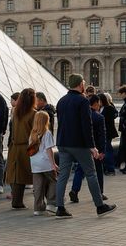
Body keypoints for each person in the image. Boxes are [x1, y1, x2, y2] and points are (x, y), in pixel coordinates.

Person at [54, 74, 116, 219]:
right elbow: (86, 125)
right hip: (79, 144)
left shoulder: (61, 101)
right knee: (91, 173)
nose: (84, 84)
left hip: (63, 143)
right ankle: (100, 206)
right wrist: (92, 146)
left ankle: (60, 208)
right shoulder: (82, 101)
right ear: (80, 84)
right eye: (83, 82)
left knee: (63, 175)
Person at [68, 95, 107, 204]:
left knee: (80, 170)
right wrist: (102, 150)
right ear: (95, 103)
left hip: (82, 147)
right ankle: (100, 193)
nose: (99, 105)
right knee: (98, 171)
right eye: (99, 103)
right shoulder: (99, 117)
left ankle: (74, 190)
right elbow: (102, 135)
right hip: (95, 148)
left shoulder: (81, 115)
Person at [6, 88, 36, 209]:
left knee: (16, 175)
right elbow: (35, 133)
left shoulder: (15, 112)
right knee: (37, 174)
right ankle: (45, 202)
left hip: (14, 147)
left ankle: (16, 201)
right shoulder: (33, 113)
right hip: (27, 148)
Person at [29, 110, 56, 216]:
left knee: (38, 185)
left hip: (34, 163)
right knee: (54, 181)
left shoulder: (32, 134)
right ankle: (51, 203)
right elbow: (49, 150)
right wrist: (53, 164)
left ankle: (38, 208)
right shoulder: (47, 133)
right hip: (45, 162)